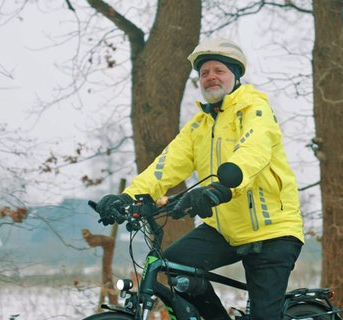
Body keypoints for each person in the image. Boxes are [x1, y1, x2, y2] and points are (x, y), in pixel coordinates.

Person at [96, 38, 304, 320]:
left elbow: (252, 151)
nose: (210, 77)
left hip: (272, 232)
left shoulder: (255, 110)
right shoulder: (199, 126)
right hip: (225, 230)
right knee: (172, 265)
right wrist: (129, 197)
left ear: (235, 75)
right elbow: (165, 166)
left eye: (218, 70)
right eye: (204, 73)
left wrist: (221, 188)